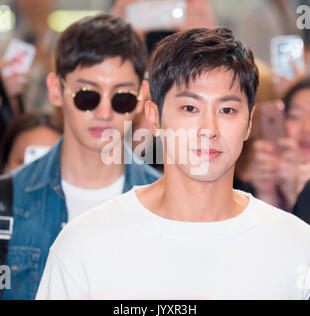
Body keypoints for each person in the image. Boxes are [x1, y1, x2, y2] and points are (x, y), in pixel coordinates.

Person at [37, 27, 310, 300]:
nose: (209, 129)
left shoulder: (297, 245)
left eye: (227, 110)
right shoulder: (84, 245)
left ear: (249, 122)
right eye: (190, 108)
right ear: (154, 118)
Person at [0, 14, 161, 300]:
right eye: (87, 96)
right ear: (55, 90)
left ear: (141, 97)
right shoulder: (7, 199)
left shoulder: (168, 201)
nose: (104, 112)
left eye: (121, 97)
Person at [244, 77, 310, 211]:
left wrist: (296, 194)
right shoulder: (268, 176)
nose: (306, 127)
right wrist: (267, 193)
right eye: (295, 116)